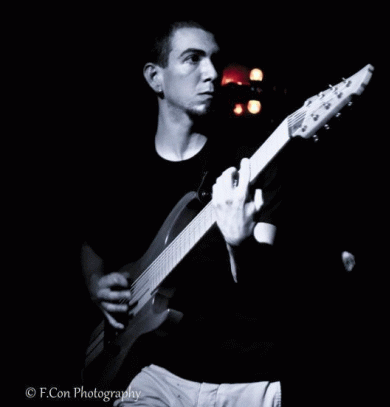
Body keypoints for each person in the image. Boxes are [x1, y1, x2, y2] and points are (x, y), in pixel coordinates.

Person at [81, 19, 285, 406]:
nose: (212, 73)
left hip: (247, 377)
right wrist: (96, 285)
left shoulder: (250, 163)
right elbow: (92, 246)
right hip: (155, 374)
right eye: (193, 59)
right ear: (155, 78)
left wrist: (239, 245)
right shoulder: (124, 172)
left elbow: (265, 289)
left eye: (215, 60)